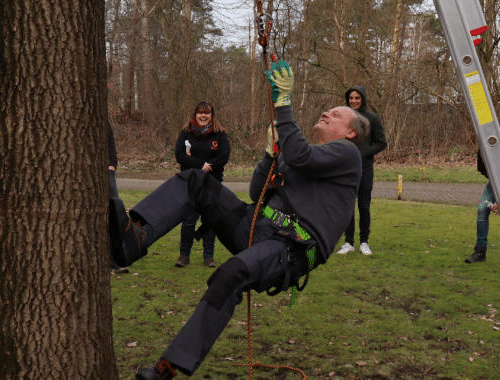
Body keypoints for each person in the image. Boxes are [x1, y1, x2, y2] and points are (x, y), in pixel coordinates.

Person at [108, 60, 370, 380]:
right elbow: (258, 189)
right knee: (197, 181)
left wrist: (283, 103)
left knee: (230, 274)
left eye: (338, 113)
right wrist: (270, 154)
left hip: (288, 248)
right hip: (250, 225)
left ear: (350, 131)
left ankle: (168, 368)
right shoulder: (307, 156)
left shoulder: (347, 154)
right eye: (328, 109)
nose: (328, 112)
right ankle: (135, 238)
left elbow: (299, 153)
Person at [174, 102, 231, 268]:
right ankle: (184, 255)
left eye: (207, 113)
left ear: (212, 115)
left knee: (209, 221)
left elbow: (223, 157)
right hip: (191, 183)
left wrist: (208, 167)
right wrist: (200, 165)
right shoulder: (186, 133)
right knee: (189, 220)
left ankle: (208, 257)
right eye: (200, 113)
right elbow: (179, 156)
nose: (203, 116)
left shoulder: (220, 134)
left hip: (212, 183)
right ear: (195, 114)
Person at [336, 86, 387, 256]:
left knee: (363, 207)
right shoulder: (343, 117)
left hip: (364, 170)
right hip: (346, 170)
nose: (354, 101)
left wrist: (363, 153)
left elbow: (381, 142)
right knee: (347, 207)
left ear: (363, 99)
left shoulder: (372, 118)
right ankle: (348, 242)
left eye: (357, 98)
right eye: (351, 98)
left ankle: (364, 242)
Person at [465, 140, 500, 263]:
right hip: (494, 184)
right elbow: (485, 171)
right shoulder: (482, 152)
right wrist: (497, 195)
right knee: (482, 209)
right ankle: (480, 252)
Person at [107, 121, 130, 274]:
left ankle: (115, 259)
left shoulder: (100, 117)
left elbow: (110, 141)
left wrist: (112, 164)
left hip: (106, 170)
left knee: (113, 213)